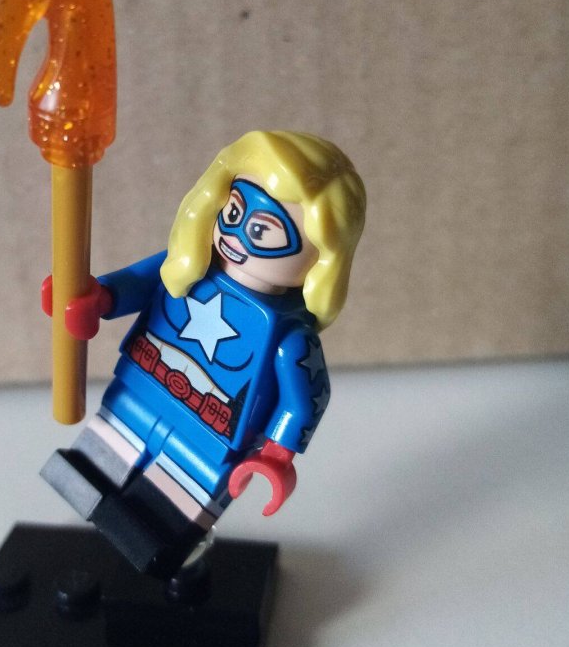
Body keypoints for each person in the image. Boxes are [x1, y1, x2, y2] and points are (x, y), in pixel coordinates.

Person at [41, 130, 366, 577]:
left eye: (262, 231)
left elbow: (306, 396)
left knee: (160, 523)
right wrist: (96, 299)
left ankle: (159, 556)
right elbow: (136, 284)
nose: (236, 234)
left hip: (211, 437)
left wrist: (276, 453)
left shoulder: (290, 335)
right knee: (88, 472)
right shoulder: (188, 265)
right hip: (138, 392)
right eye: (234, 211)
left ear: (322, 255)